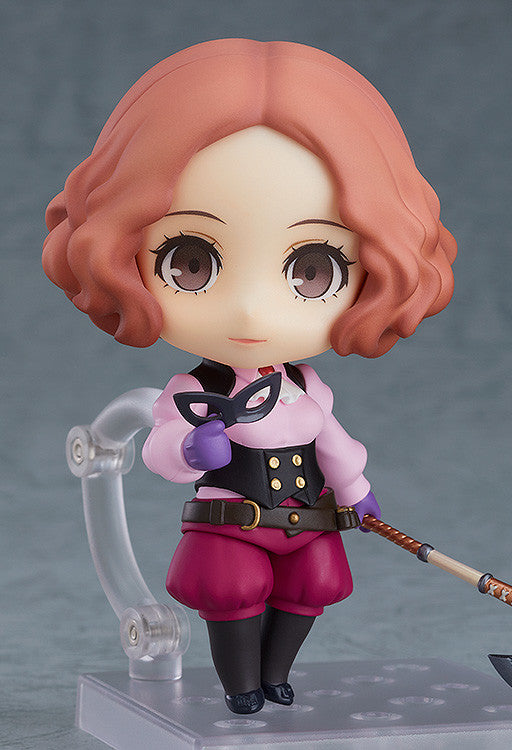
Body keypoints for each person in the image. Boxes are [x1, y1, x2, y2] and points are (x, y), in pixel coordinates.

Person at [42, 39, 457, 714]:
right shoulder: (197, 392)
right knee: (232, 592)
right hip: (229, 523)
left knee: (313, 586)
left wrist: (358, 491)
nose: (250, 310)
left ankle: (276, 674)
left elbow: (332, 444)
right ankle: (241, 687)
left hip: (307, 519)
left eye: (312, 269)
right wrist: (191, 447)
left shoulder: (307, 388)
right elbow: (161, 446)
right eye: (191, 262)